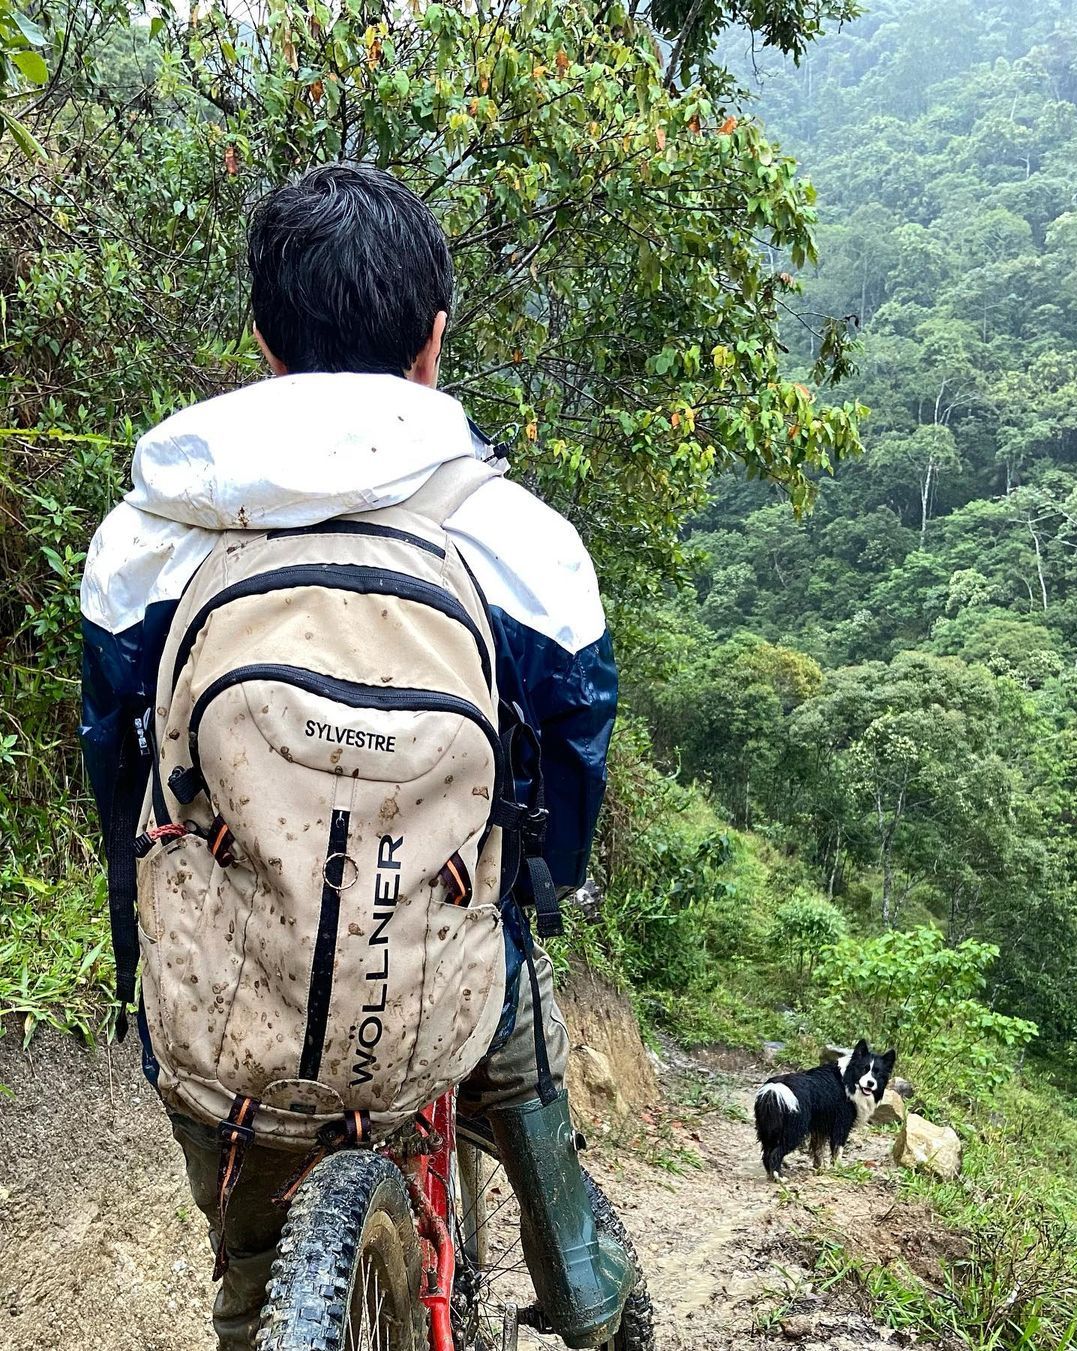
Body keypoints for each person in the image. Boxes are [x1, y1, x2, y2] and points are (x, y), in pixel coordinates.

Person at [80, 163, 632, 1349]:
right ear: (433, 344)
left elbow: (117, 769)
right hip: (434, 989)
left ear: (265, 344)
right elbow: (572, 766)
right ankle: (582, 1285)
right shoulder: (524, 545)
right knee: (512, 991)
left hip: (223, 1011)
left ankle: (258, 1308)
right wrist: (534, 886)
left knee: (254, 1266)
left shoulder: (146, 536)